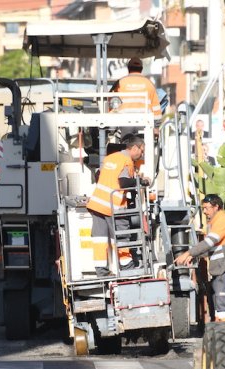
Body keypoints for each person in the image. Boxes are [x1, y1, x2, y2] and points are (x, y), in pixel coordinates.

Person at [87, 135, 146, 276]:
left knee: (100, 239)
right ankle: (127, 269)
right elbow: (123, 182)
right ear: (134, 148)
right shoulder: (127, 161)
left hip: (97, 204)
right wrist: (141, 181)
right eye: (141, 150)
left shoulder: (110, 158)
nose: (142, 154)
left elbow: (99, 175)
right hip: (112, 206)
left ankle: (102, 272)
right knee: (122, 237)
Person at [173, 194, 225, 321]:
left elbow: (208, 243)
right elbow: (214, 249)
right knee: (217, 307)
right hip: (219, 271)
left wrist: (188, 253)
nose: (205, 212)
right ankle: (218, 332)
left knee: (222, 308)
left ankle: (223, 332)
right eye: (203, 209)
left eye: (207, 208)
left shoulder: (222, 221)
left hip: (223, 270)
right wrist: (195, 256)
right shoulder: (215, 223)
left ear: (216, 207)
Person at [110, 57, 161, 122]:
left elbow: (111, 103)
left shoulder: (120, 83)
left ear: (128, 68)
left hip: (124, 121)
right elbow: (156, 107)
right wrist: (156, 127)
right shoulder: (149, 83)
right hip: (145, 122)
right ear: (141, 69)